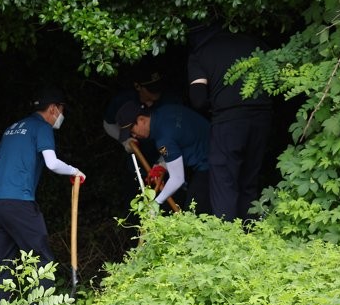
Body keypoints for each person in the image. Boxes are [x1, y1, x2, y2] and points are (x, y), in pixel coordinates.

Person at [0, 88, 85, 305]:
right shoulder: (42, 127)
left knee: (3, 262)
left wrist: (1, 191)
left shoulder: (11, 129)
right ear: (52, 109)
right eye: (61, 110)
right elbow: (52, 163)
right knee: (41, 258)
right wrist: (75, 171)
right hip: (18, 203)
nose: (61, 115)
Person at [188, 23, 274, 222]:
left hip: (228, 121)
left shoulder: (200, 53)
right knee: (249, 182)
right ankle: (250, 233)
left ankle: (227, 240)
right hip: (262, 117)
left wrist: (217, 102)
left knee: (224, 181)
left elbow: (198, 99)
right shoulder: (251, 42)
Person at [117, 102, 212, 215]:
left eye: (132, 131)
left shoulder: (163, 141)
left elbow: (177, 178)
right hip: (219, 146)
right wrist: (161, 166)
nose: (133, 136)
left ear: (142, 119)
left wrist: (156, 203)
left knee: (194, 214)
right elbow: (175, 144)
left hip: (211, 164)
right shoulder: (166, 110)